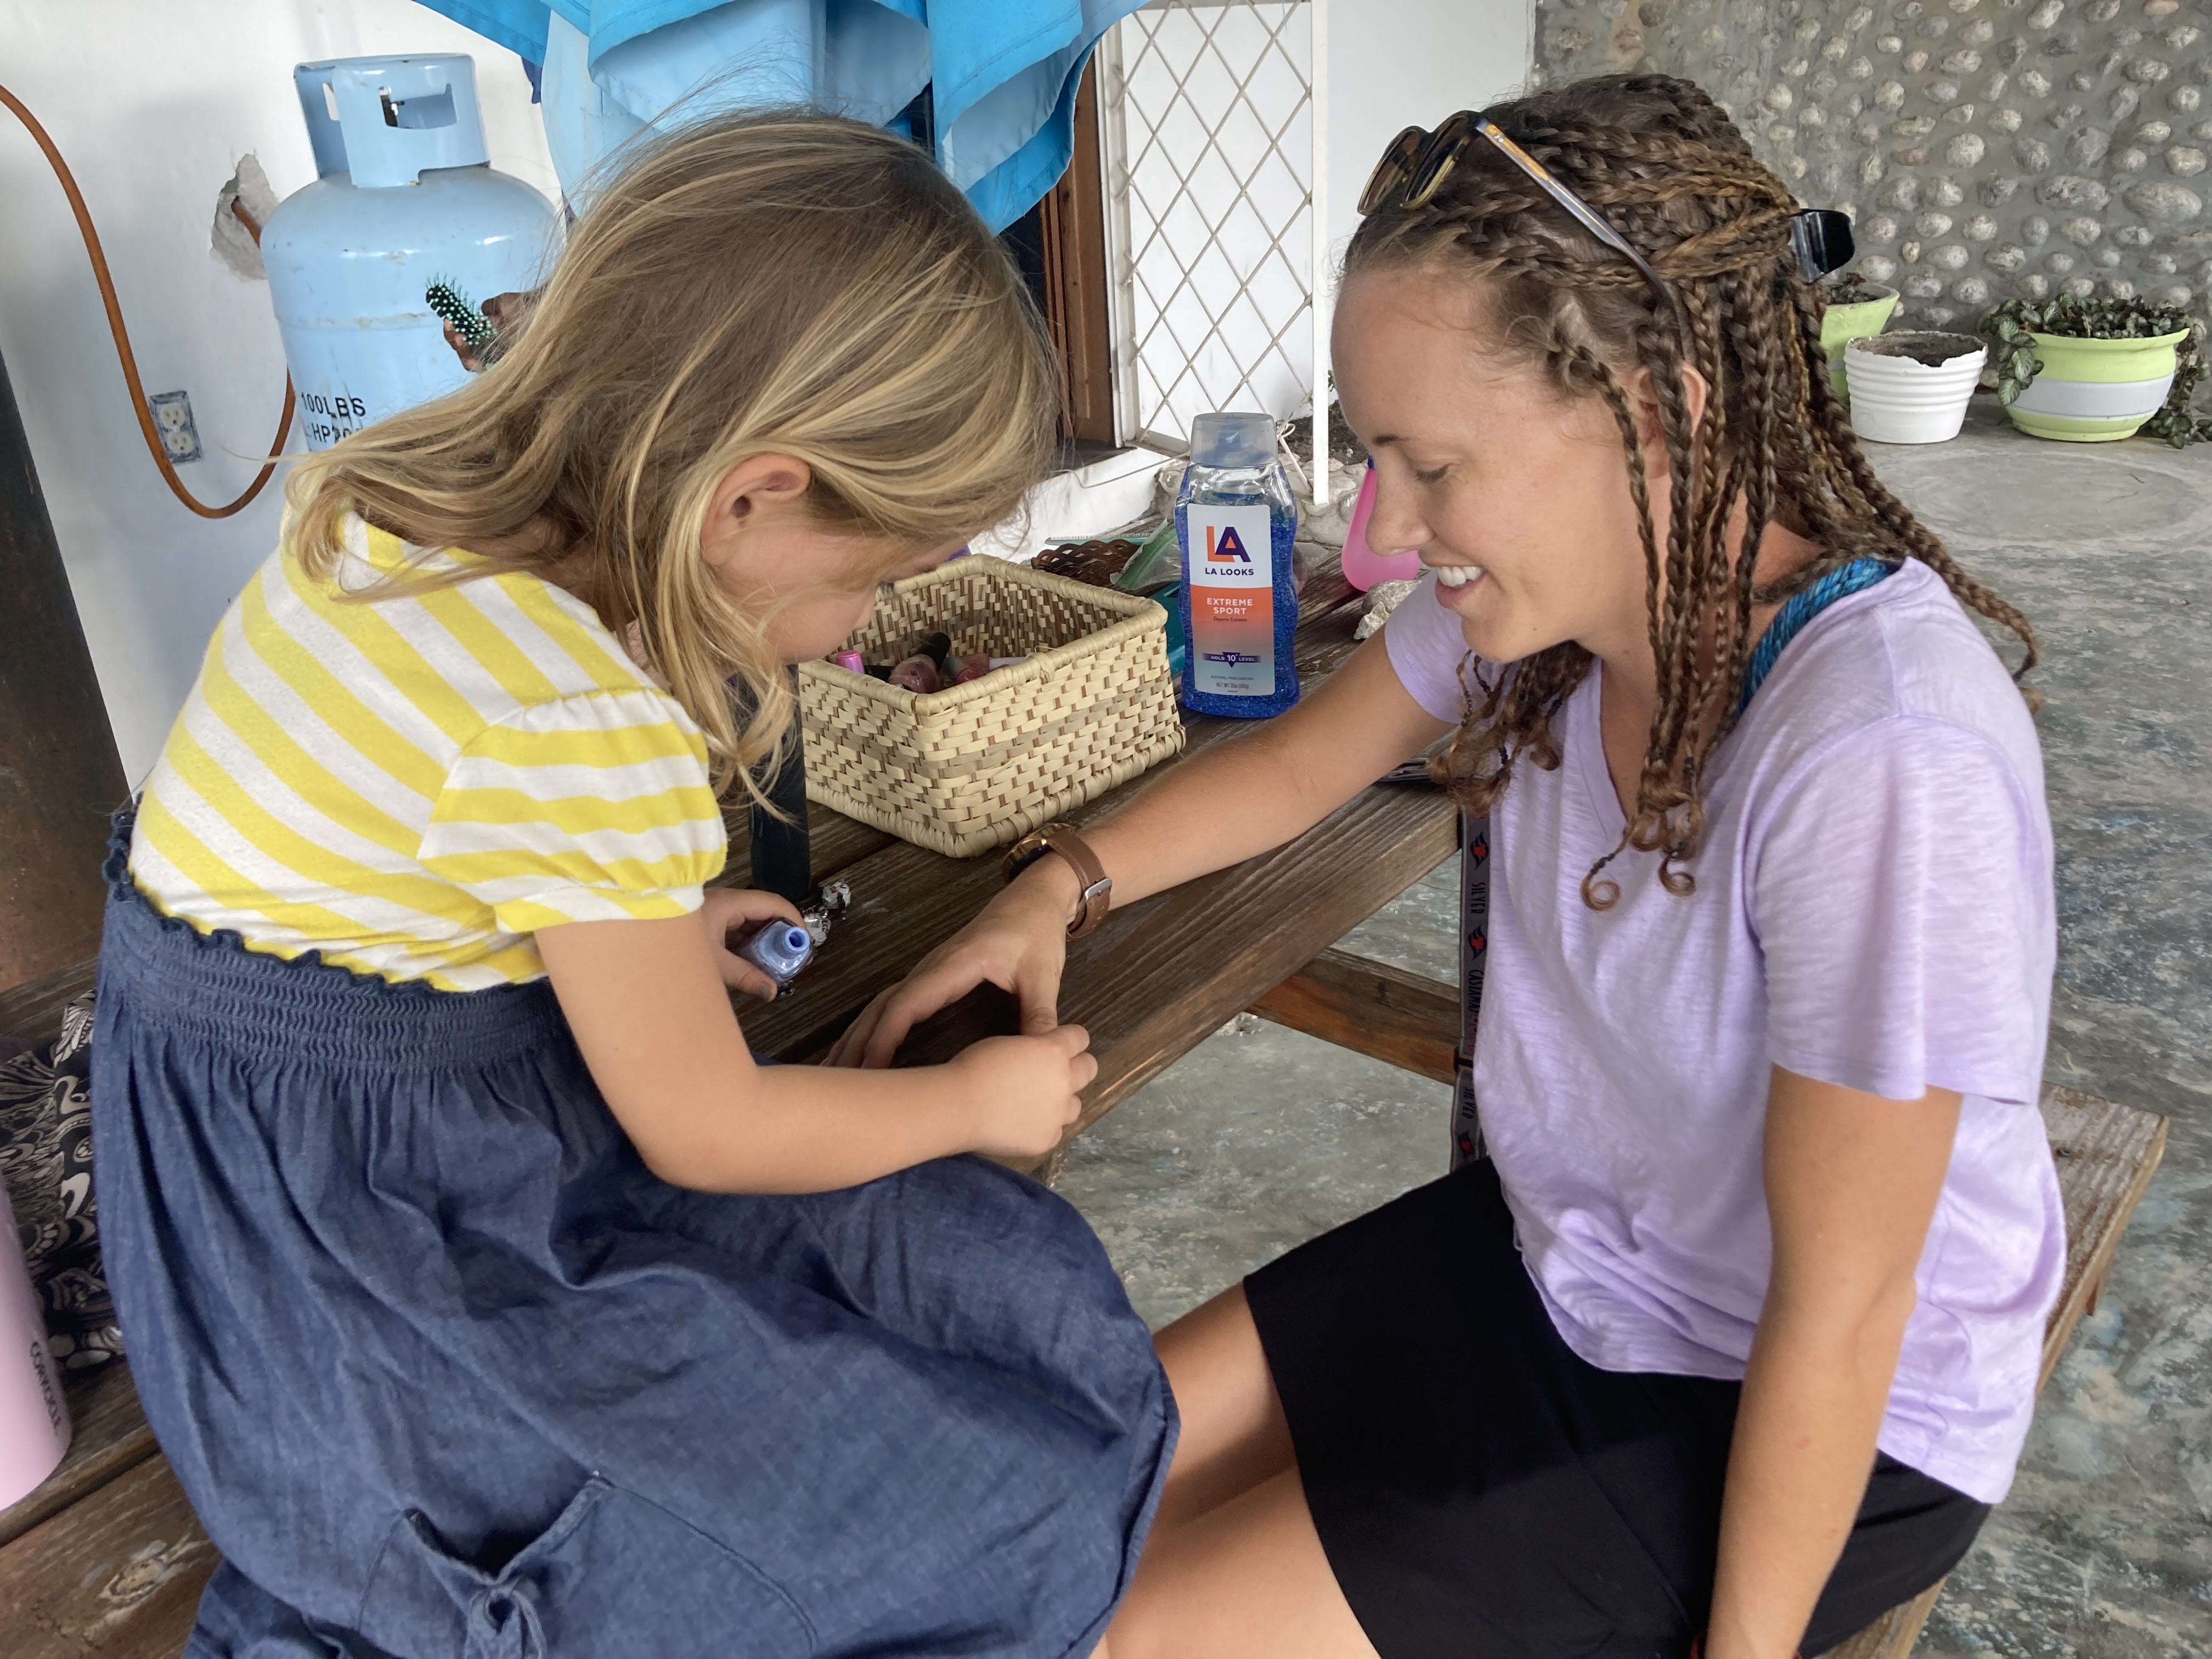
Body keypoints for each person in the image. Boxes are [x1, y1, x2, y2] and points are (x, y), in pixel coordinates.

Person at [835, 75, 2062, 1659]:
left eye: (1428, 465)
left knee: (1123, 1635)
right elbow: (1295, 766)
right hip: (1567, 1246)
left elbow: (1844, 1313)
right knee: (1053, 1479)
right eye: (1372, 459)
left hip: (1801, 1401)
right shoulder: (1553, 609)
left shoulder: (1883, 755)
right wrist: (1052, 885)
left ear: (1661, 409)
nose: (1387, 531)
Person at [93, 111, 1172, 1658]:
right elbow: (710, 1130)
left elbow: (419, 855)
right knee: (997, 1485)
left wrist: (637, 929)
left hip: (278, 1126)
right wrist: (973, 1104)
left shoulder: (396, 508)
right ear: (754, 496)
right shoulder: (579, 718)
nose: (863, 622)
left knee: (1003, 1300)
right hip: (349, 1259)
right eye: (879, 574)